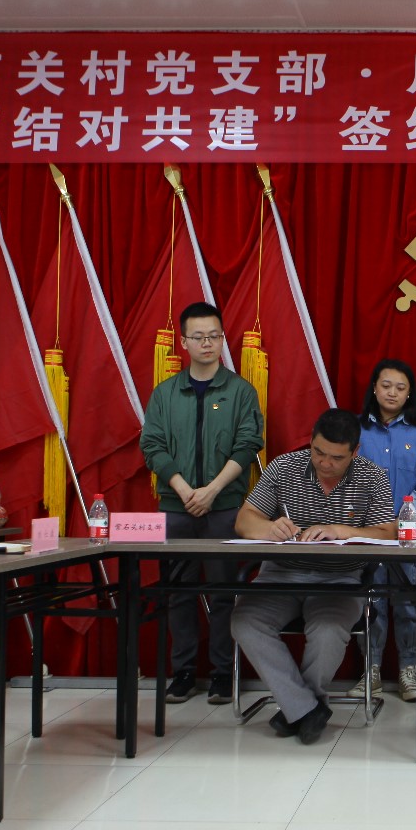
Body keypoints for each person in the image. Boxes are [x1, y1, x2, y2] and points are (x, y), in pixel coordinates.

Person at [230, 409, 397, 745]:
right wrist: (269, 528)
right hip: (280, 574)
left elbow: (388, 532)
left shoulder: (372, 477)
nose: (325, 463)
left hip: (340, 579)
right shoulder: (284, 467)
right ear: (310, 441)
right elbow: (244, 520)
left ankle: (297, 707)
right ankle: (307, 709)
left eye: (336, 458)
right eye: (318, 452)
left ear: (355, 451)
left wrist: (341, 530)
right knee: (244, 622)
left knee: (328, 630)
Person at [138, 301, 264, 705]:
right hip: (176, 509)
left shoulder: (241, 391)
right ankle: (184, 672)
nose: (207, 343)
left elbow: (248, 444)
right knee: (178, 592)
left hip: (224, 507)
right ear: (184, 342)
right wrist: (183, 490)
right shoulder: (165, 394)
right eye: (199, 337)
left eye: (214, 336)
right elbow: (152, 446)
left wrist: (211, 491)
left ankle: (223, 673)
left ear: (223, 338)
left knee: (225, 592)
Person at [347, 359, 416, 703]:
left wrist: (405, 516)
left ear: (409, 394)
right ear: (374, 388)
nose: (392, 393)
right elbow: (342, 477)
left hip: (408, 533)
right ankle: (370, 669)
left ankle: (409, 669)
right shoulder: (355, 429)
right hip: (366, 531)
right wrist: (369, 518)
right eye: (386, 385)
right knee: (369, 600)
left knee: (408, 601)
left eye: (400, 388)